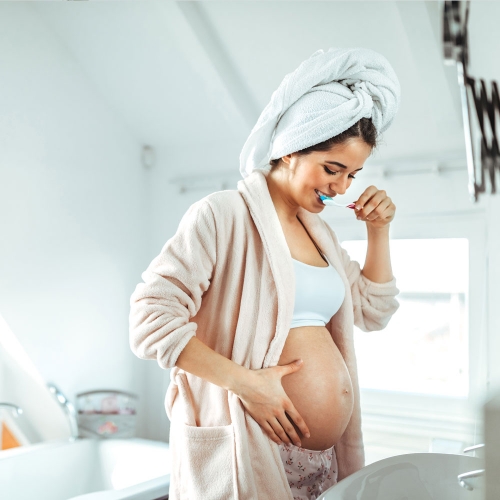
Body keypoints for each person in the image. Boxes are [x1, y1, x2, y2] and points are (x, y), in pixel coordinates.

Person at [130, 47, 401, 500]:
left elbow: (373, 311)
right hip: (248, 446)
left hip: (320, 464)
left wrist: (379, 232)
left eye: (353, 175)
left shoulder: (321, 237)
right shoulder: (223, 216)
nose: (341, 187)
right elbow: (148, 321)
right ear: (292, 149)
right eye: (332, 169)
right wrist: (247, 384)